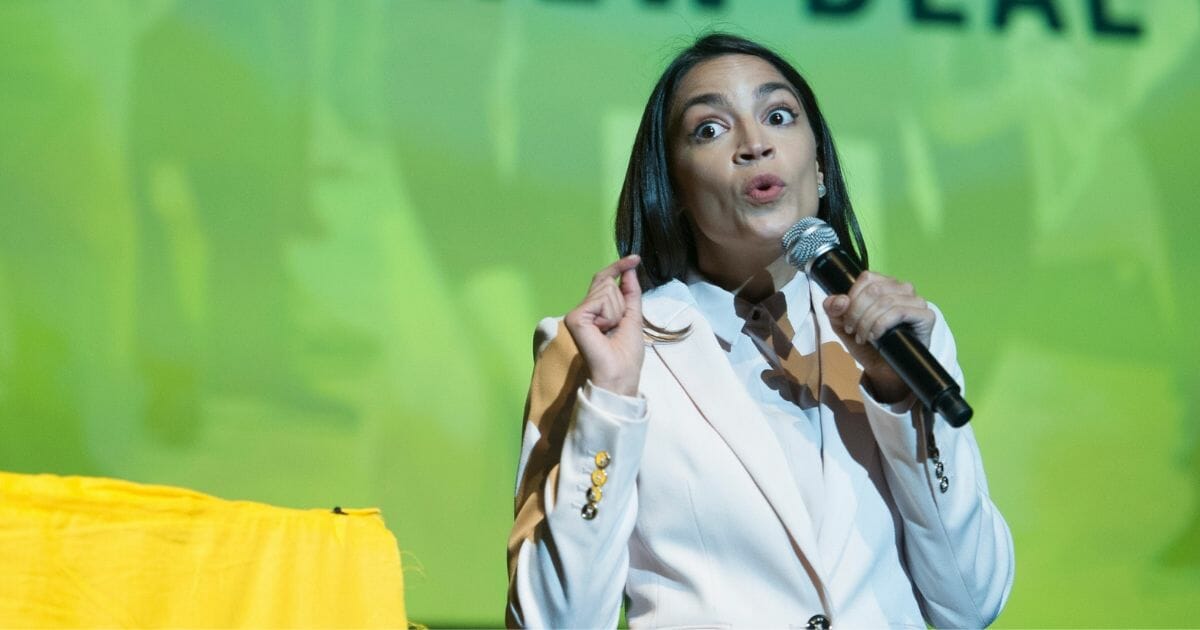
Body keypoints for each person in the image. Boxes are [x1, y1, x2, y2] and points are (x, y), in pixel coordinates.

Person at [506, 33, 1014, 629]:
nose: (755, 144)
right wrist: (613, 400)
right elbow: (556, 622)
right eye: (711, 130)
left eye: (778, 116)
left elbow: (971, 604)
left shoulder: (900, 332)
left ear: (820, 169)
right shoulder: (606, 350)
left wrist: (901, 396)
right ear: (674, 192)